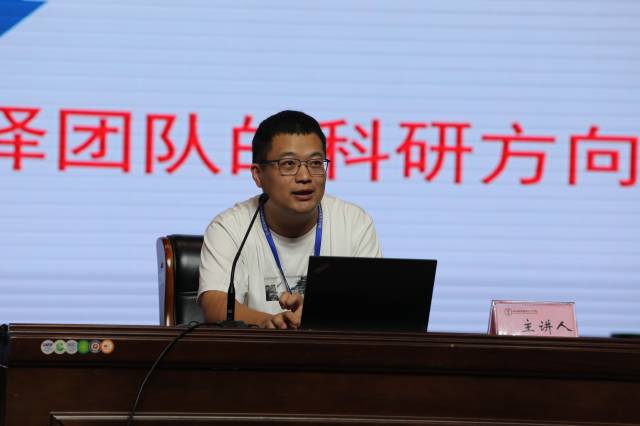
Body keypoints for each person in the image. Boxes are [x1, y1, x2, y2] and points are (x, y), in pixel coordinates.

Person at [198, 110, 381, 329]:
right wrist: (270, 323)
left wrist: (314, 315)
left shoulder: (354, 223)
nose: (304, 177)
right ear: (258, 175)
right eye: (288, 164)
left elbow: (373, 307)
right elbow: (215, 305)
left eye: (315, 163)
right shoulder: (229, 228)